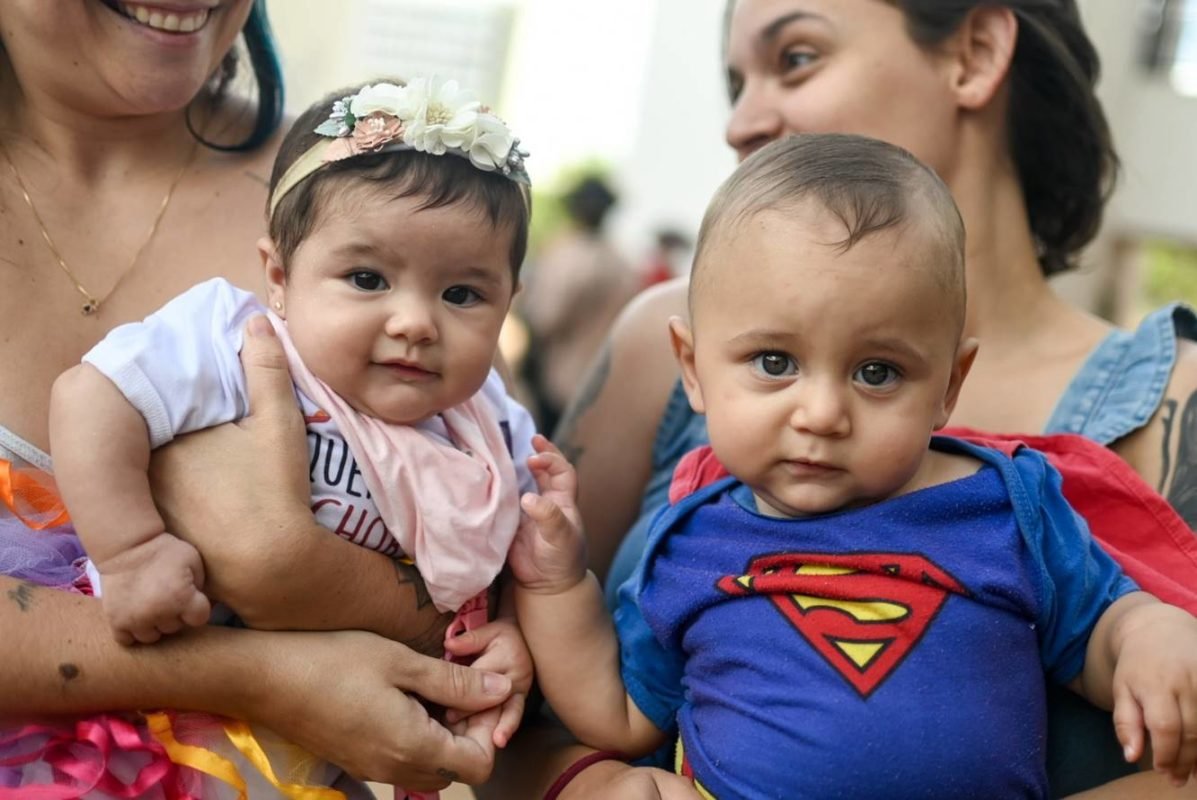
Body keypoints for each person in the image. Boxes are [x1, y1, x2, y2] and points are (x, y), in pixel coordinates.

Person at [491, 1, 1197, 797]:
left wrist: (1147, 629)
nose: (820, 413)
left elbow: (1100, 623)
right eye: (771, 362)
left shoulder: (1017, 503)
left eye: (795, 56)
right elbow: (578, 710)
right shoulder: (689, 537)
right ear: (693, 365)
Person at [0, 3, 517, 796]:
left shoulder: (378, 184)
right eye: (368, 281)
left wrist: (313, 576)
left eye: (459, 294)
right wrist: (257, 671)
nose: (413, 321)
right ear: (274, 274)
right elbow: (97, 400)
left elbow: (526, 574)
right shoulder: (245, 300)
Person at [519, 175, 638, 433]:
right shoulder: (621, 260)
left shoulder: (568, 255)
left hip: (556, 375)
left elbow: (545, 318)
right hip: (596, 377)